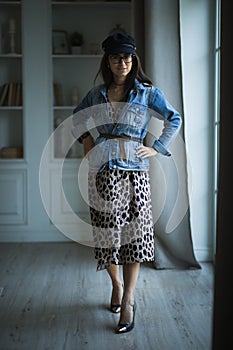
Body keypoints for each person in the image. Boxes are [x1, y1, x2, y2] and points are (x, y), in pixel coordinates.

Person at [72, 33, 182, 334]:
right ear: (107, 61)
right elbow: (78, 118)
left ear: (134, 61)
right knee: (107, 236)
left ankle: (130, 299)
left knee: (135, 236)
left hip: (135, 171)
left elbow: (174, 119)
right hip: (104, 171)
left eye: (127, 57)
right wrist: (87, 142)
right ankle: (117, 285)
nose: (123, 62)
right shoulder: (97, 94)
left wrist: (157, 147)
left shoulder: (147, 93)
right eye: (116, 57)